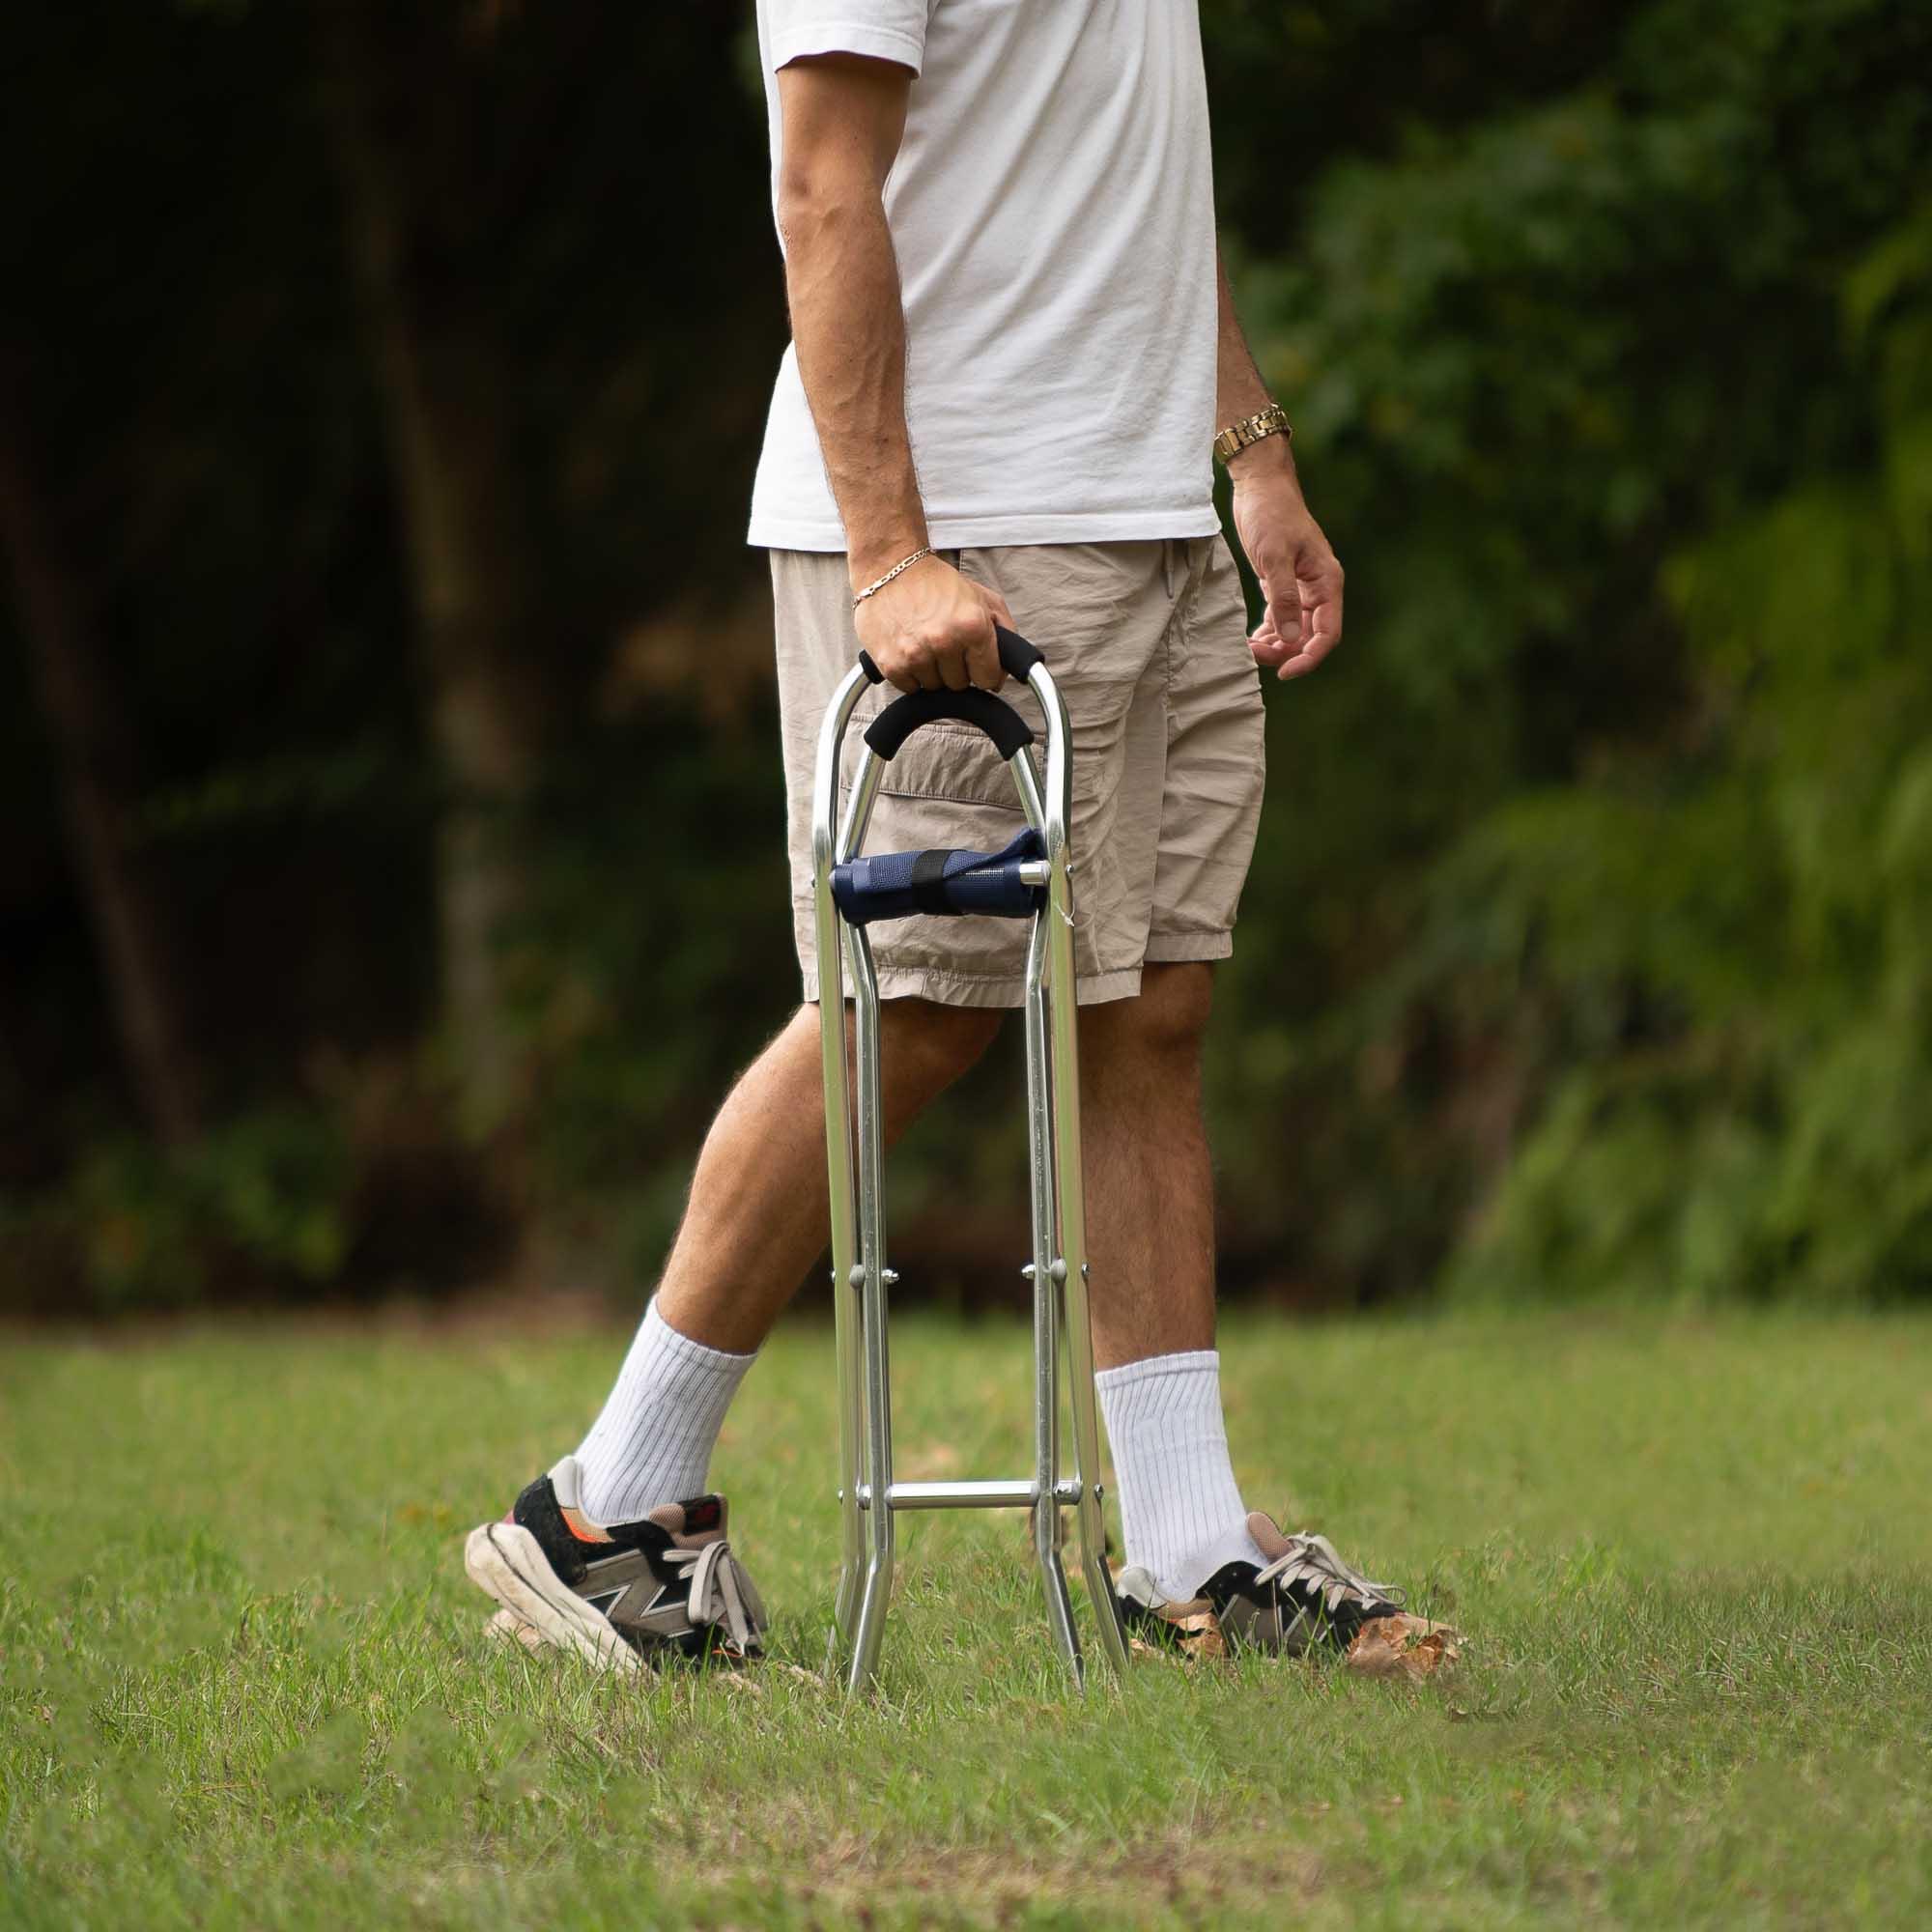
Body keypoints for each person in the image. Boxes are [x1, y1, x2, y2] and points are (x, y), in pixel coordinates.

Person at [466, 0, 1406, 1669]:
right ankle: (610, 1503)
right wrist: (892, 552)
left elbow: (1131, 185)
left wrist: (1247, 454)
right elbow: (822, 184)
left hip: (1147, 514)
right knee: (914, 1003)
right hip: (968, 527)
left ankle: (1190, 1546)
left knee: (1154, 1003)